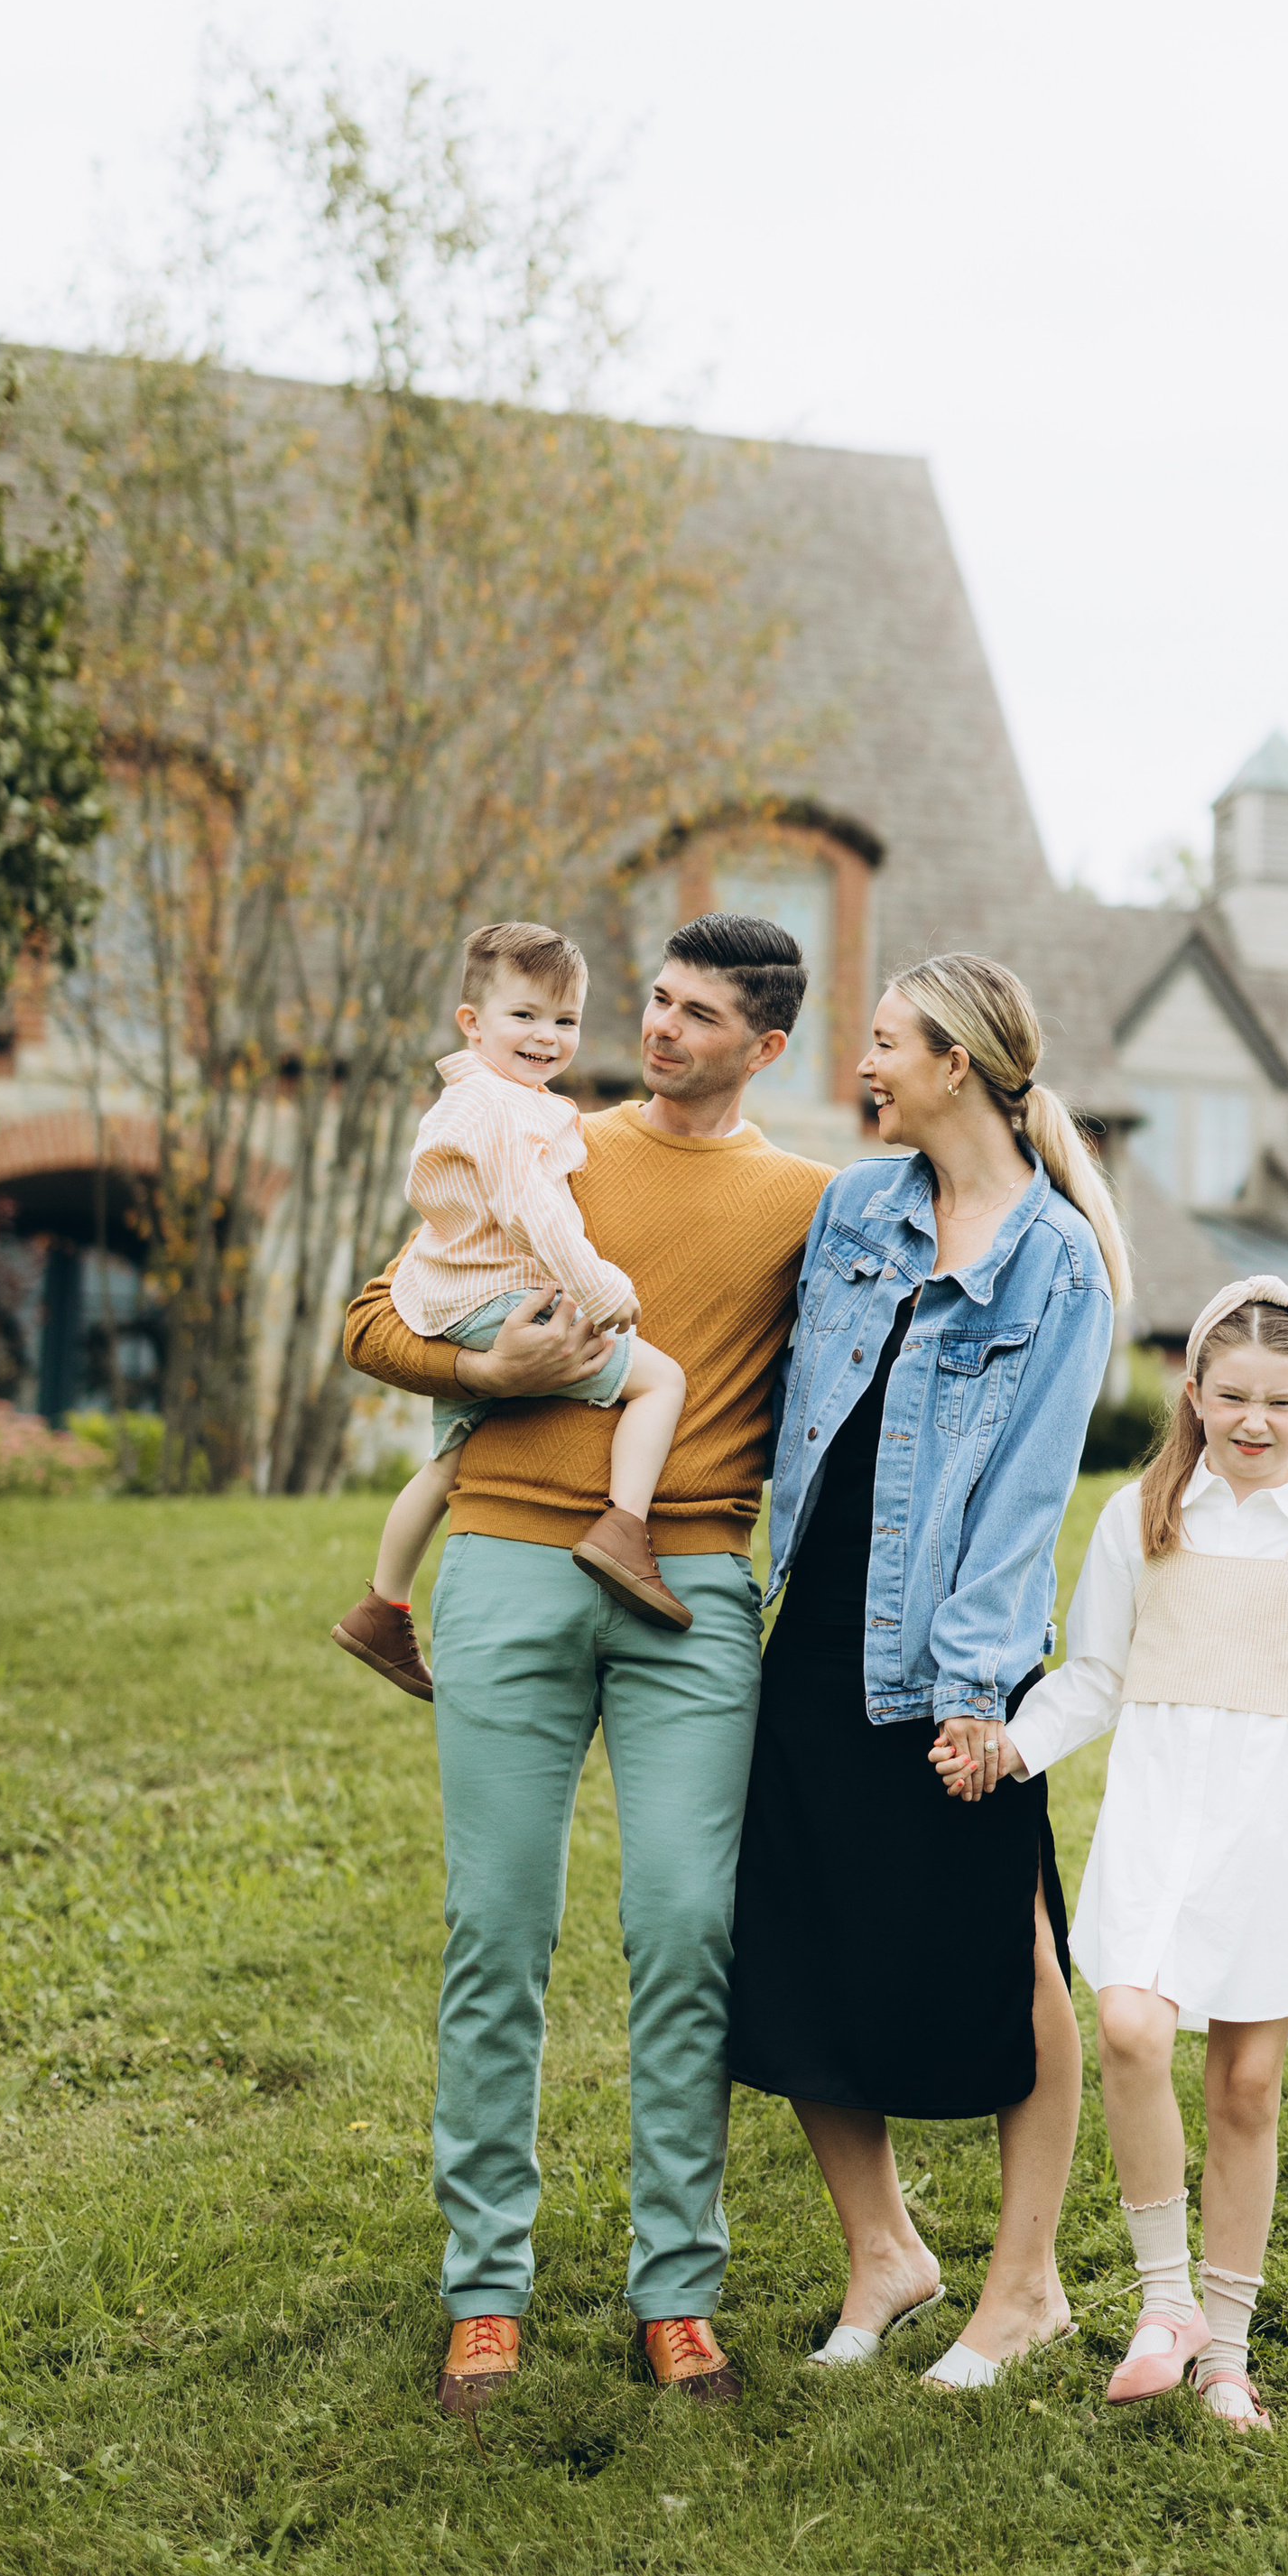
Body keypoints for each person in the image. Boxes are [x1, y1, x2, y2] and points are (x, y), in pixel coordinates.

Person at [341, 913, 831, 2419]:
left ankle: (675, 2292)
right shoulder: (545, 1139)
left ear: (767, 1047)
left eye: (699, 1016)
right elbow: (374, 1319)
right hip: (502, 1565)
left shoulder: (813, 1203)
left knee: (687, 1927)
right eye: (658, 1003)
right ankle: (484, 2290)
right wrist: (478, 1371)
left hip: (691, 1584)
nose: (660, 1031)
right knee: (498, 1928)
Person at [727, 953, 1126, 2391]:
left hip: (952, 1653)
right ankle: (884, 2251)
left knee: (1011, 1955)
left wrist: (974, 1695)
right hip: (812, 1621)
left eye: (887, 1043)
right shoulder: (855, 1208)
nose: (866, 1066)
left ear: (958, 1061)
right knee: (792, 1935)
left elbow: (1025, 1495)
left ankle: (1026, 2289)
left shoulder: (1057, 1261)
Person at [988, 1277, 1288, 2432]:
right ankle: (1162, 2300)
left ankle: (1225, 2349)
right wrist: (1011, 1747)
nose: (1255, 1421)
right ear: (1195, 1392)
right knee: (1128, 2023)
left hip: (1277, 1830)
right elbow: (1095, 1676)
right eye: (1233, 1397)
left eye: (1280, 1401)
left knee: (1247, 2085)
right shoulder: (1143, 1513)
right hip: (1162, 1813)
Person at [333, 922, 693, 1701]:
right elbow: (534, 1208)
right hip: (501, 1300)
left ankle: (382, 1606)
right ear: (472, 1022)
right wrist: (598, 1289)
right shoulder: (504, 1109)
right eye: (524, 1016)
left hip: (449, 1300)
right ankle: (625, 1530)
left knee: (449, 1464)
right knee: (661, 1382)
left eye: (565, 1021)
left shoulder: (476, 1098)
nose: (546, 1037)